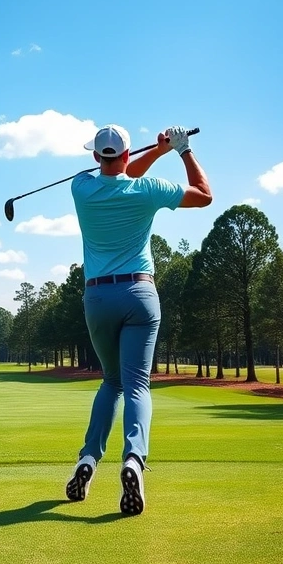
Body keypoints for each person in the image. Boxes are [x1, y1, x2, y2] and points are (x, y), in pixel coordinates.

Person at [64, 123, 212, 516]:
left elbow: (119, 173)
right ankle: (133, 459)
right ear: (127, 155)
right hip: (139, 294)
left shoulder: (81, 187)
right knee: (137, 384)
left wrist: (156, 151)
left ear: (96, 157)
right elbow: (205, 197)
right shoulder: (148, 190)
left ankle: (88, 459)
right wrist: (180, 150)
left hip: (97, 296)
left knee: (110, 381)